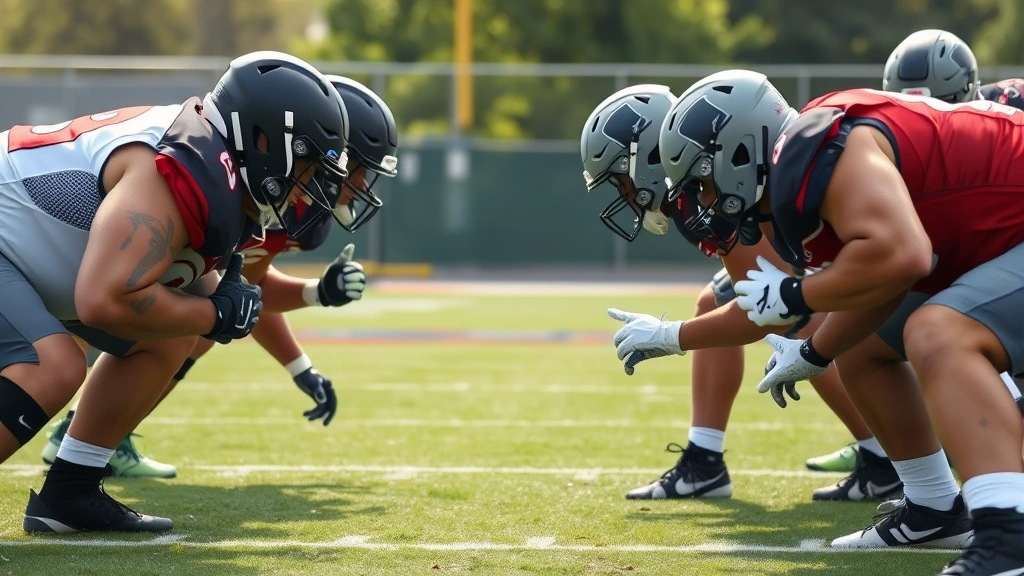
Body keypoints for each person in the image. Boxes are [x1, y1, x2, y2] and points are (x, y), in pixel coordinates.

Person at [614, 58, 1024, 572]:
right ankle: (934, 508)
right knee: (864, 346)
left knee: (938, 332)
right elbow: (882, 280)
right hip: (1000, 237)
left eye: (703, 182)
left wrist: (795, 295)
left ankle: (1006, 540)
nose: (705, 200)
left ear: (740, 151)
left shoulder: (817, 144)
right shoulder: (797, 174)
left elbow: (905, 256)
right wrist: (815, 351)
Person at [0, 50, 352, 534]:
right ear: (267, 139)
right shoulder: (176, 167)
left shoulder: (215, 166)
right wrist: (213, 315)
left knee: (170, 330)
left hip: (24, 258)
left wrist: (212, 311)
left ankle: (70, 492)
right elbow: (104, 300)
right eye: (308, 167)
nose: (306, 189)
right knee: (53, 364)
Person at [39, 75, 399, 477]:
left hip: (90, 270)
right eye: (358, 169)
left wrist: (314, 307)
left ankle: (85, 443)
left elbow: (246, 290)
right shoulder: (254, 189)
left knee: (196, 319)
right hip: (67, 256)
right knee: (154, 326)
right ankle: (82, 431)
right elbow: (235, 292)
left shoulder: (297, 207)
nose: (362, 184)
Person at [581, 85, 890, 501]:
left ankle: (883, 455)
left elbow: (769, 307)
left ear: (648, 160)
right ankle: (705, 461)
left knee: (800, 324)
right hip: (859, 246)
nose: (622, 193)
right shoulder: (695, 196)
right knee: (719, 301)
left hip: (882, 254)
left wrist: (668, 336)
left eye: (620, 179)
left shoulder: (710, 189)